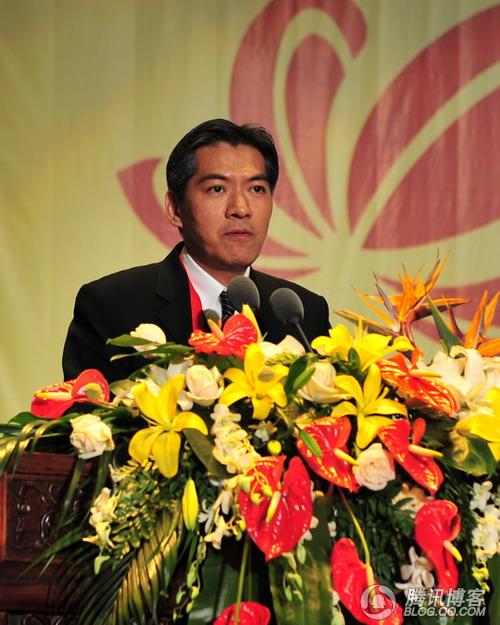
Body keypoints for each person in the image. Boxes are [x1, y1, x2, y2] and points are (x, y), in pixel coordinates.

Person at [63, 119, 330, 381]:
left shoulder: (303, 315)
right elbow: (89, 408)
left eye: (257, 189)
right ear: (175, 208)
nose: (241, 208)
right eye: (217, 188)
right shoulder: (112, 306)